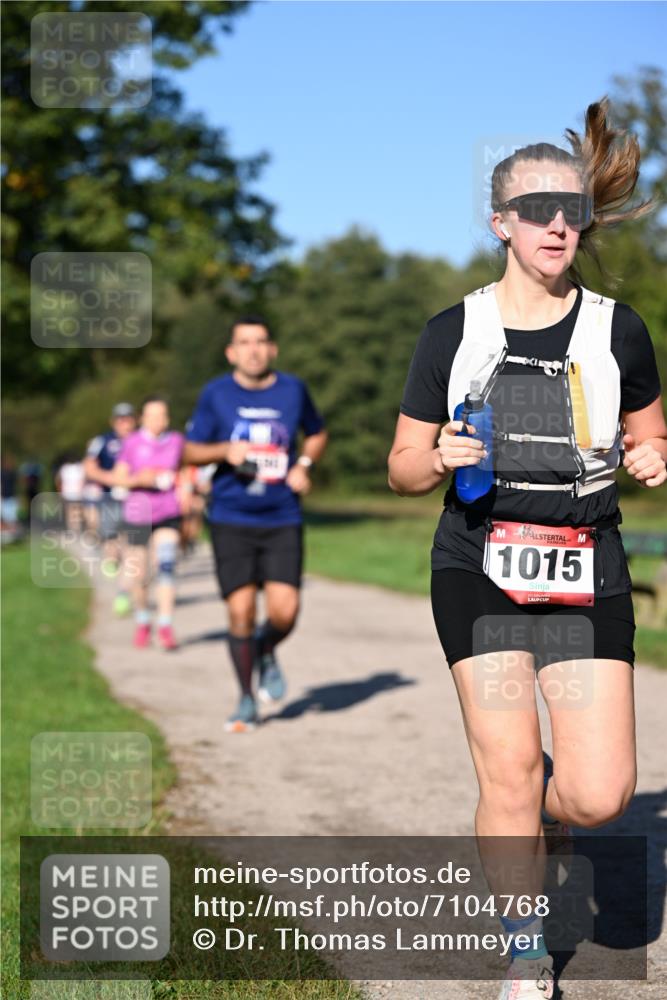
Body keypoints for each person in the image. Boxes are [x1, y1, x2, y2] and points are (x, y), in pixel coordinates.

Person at [388, 98, 666, 999]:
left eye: (571, 210)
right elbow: (397, 466)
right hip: (478, 561)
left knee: (595, 799)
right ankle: (525, 950)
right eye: (537, 210)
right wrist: (434, 458)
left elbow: (649, 432)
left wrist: (651, 452)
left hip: (586, 562)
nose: (557, 225)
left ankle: (521, 794)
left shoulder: (617, 330)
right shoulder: (452, 332)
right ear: (499, 222)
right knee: (505, 765)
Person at [183, 314, 328, 733]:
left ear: (272, 349)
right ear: (231, 352)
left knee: (285, 612)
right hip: (231, 516)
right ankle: (246, 698)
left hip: (282, 514)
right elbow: (189, 451)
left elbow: (316, 434)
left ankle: (264, 650)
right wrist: (224, 451)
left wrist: (303, 463)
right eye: (244, 342)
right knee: (241, 610)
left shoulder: (292, 390)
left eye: (260, 341)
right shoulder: (216, 394)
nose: (253, 349)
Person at [112, 397, 186, 651]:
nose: (157, 420)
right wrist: (139, 479)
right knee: (139, 574)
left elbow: (186, 471)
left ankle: (165, 625)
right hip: (137, 514)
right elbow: (119, 479)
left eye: (162, 415)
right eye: (152, 415)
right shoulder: (132, 443)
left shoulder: (177, 441)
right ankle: (143, 620)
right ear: (143, 418)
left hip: (168, 513)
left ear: (167, 418)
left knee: (166, 566)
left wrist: (187, 489)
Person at [84, 402, 137, 616]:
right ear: (113, 421)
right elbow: (89, 466)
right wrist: (113, 479)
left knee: (132, 551)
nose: (124, 423)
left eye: (128, 418)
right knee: (113, 546)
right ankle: (112, 564)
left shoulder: (142, 440)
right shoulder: (103, 441)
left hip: (138, 500)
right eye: (120, 419)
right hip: (111, 499)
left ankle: (123, 593)